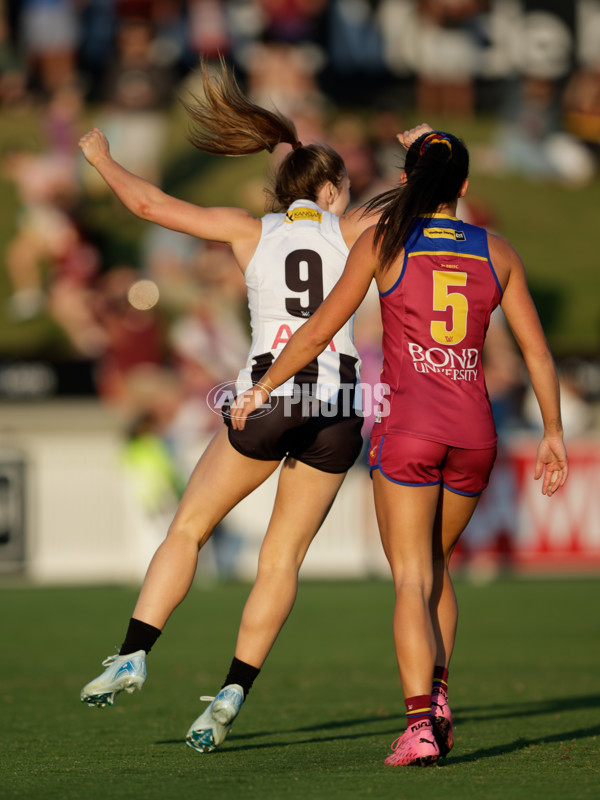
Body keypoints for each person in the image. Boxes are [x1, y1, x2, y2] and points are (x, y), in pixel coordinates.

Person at [77, 57, 411, 753]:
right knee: (280, 560)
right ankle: (232, 690)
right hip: (340, 404)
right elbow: (421, 195)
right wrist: (423, 152)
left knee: (189, 527)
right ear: (327, 189)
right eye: (343, 189)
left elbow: (147, 207)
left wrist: (102, 157)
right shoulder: (352, 231)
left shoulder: (247, 229)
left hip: (267, 394)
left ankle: (135, 651)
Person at [230, 129, 568, 766]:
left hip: (410, 430)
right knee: (436, 567)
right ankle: (439, 694)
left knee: (411, 577)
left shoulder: (384, 241)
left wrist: (263, 389)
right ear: (464, 187)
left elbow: (315, 333)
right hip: (474, 434)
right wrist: (552, 432)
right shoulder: (497, 251)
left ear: (410, 182)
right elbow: (537, 353)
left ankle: (419, 725)